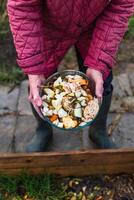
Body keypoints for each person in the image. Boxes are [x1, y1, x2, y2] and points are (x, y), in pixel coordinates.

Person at [7, 0, 134, 152]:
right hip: (48, 28)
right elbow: (22, 6)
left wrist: (99, 62)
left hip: (96, 29)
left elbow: (121, 4)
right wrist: (33, 69)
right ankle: (43, 129)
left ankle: (97, 130)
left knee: (102, 81)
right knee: (39, 85)